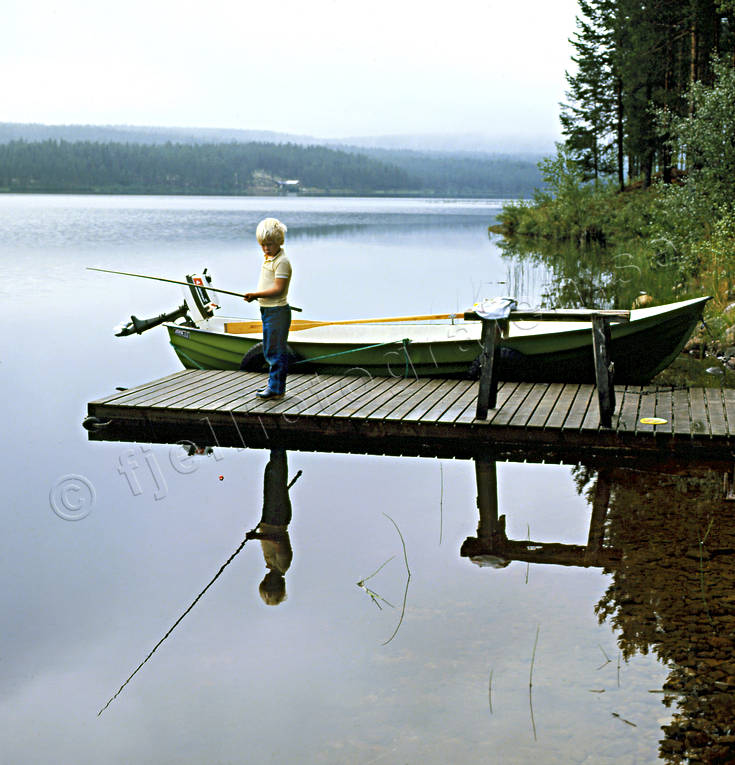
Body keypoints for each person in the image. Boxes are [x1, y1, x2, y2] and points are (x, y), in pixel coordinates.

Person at [243, 218, 292, 400]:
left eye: (269, 244)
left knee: (275, 351)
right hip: (268, 310)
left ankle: (277, 389)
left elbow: (278, 289)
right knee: (269, 349)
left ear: (279, 242)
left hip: (277, 312)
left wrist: (256, 295)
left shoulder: (282, 262)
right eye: (263, 245)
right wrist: (257, 297)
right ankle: (273, 385)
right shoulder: (270, 259)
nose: (266, 249)